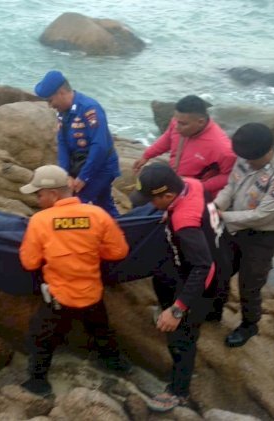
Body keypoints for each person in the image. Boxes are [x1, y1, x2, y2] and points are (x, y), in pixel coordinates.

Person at [18, 165, 131, 396]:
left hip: (59, 298)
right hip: (92, 295)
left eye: (39, 194)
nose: (38, 199)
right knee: (102, 331)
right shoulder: (98, 215)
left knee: (41, 338)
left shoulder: (40, 221)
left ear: (53, 195)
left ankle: (38, 382)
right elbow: (119, 252)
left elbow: (29, 263)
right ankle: (116, 364)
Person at [130, 163, 231, 411]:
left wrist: (178, 309)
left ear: (168, 195)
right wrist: (169, 213)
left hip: (204, 275)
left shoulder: (185, 222)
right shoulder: (192, 184)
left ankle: (179, 390)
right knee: (160, 277)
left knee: (181, 338)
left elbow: (203, 268)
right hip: (217, 252)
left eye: (153, 200)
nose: (149, 204)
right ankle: (202, 314)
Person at [213, 123, 274, 348]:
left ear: (268, 151)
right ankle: (212, 311)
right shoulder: (245, 157)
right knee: (219, 269)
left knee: (249, 283)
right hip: (234, 226)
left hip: (263, 236)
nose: (246, 163)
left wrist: (224, 216)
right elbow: (231, 186)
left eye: (251, 160)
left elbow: (262, 215)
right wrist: (215, 206)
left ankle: (249, 325)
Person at [34, 70, 121, 217]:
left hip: (101, 168)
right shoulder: (63, 112)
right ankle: (122, 232)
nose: (50, 105)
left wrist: (83, 178)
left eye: (50, 100)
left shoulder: (89, 109)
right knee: (105, 207)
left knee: (73, 206)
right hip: (81, 166)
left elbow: (99, 146)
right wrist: (65, 174)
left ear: (61, 92)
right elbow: (62, 144)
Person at [132, 95, 236, 199]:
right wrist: (147, 155)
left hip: (195, 192)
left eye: (183, 124)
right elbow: (168, 138)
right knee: (138, 198)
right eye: (176, 121)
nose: (176, 127)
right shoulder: (178, 121)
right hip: (174, 179)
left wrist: (199, 187)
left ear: (201, 122)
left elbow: (228, 176)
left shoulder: (222, 148)